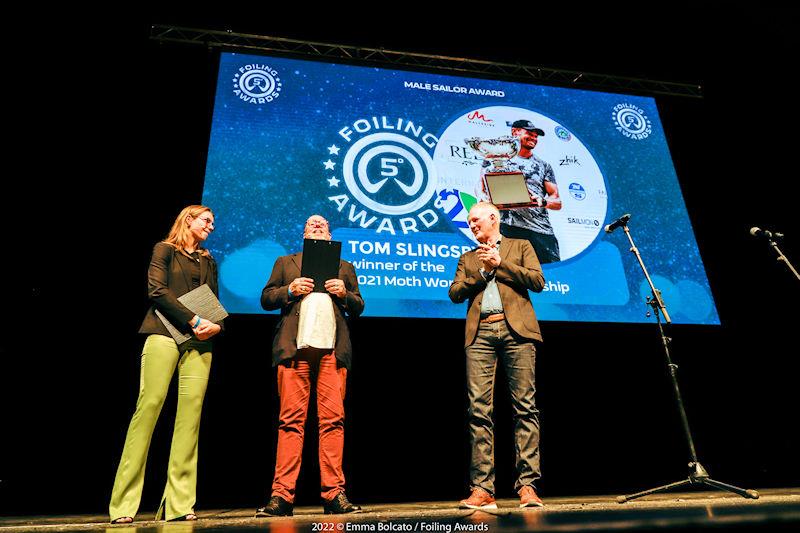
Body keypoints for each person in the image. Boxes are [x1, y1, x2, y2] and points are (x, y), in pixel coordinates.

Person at [109, 205, 222, 524]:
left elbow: (213, 298)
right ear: (189, 219)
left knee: (190, 418)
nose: (211, 227)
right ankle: (123, 505)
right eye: (206, 221)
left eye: (213, 223)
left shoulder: (209, 259)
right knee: (149, 407)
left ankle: (179, 504)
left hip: (200, 341)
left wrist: (215, 325)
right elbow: (157, 291)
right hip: (163, 333)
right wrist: (194, 318)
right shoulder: (165, 250)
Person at [256, 215, 364, 517]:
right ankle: (281, 497)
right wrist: (290, 290)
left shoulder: (345, 267)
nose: (317, 225)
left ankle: (334, 495)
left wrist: (344, 293)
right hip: (295, 350)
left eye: (323, 224)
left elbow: (358, 306)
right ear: (304, 233)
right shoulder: (286, 262)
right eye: (311, 224)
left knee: (333, 422)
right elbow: (266, 298)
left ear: (329, 234)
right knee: (290, 422)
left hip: (332, 352)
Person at [448, 201, 546, 510]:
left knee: (525, 408)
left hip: (517, 332)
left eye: (476, 220)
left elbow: (538, 282)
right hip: (480, 335)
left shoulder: (520, 246)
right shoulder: (467, 258)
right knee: (479, 411)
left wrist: (500, 263)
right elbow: (455, 293)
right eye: (469, 222)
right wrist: (482, 270)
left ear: (494, 218)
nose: (472, 225)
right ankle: (482, 489)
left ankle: (528, 487)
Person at [478, 119, 562, 263]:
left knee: (553, 276)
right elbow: (482, 192)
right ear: (515, 132)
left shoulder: (543, 166)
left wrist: (542, 202)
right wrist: (491, 204)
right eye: (529, 133)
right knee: (507, 276)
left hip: (539, 229)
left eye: (536, 136)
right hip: (507, 227)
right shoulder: (495, 159)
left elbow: (557, 201)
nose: (534, 138)